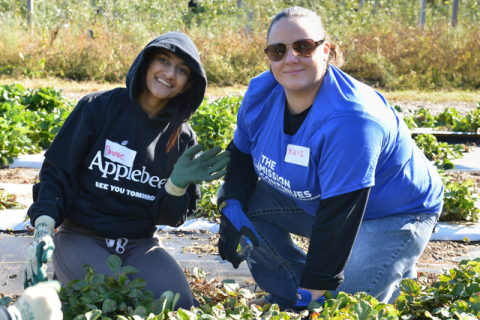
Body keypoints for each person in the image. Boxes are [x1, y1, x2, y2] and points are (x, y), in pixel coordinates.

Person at [217, 6, 443, 310]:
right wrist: (230, 207)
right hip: (322, 199)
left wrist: (316, 290)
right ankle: (295, 292)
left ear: (326, 51)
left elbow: (341, 215)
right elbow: (241, 157)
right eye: (278, 50)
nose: (291, 58)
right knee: (247, 209)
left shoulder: (352, 119)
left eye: (303, 46)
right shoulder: (261, 92)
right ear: (269, 57)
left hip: (393, 211)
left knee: (348, 308)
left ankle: (393, 261)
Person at [23, 31, 230, 310]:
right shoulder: (98, 108)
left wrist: (176, 185)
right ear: (145, 63)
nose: (169, 74)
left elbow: (172, 217)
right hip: (80, 236)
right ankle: (65, 278)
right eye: (163, 61)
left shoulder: (182, 138)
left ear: (188, 84)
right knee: (113, 299)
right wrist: (44, 228)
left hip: (138, 245)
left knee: (178, 303)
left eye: (181, 70)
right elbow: (58, 173)